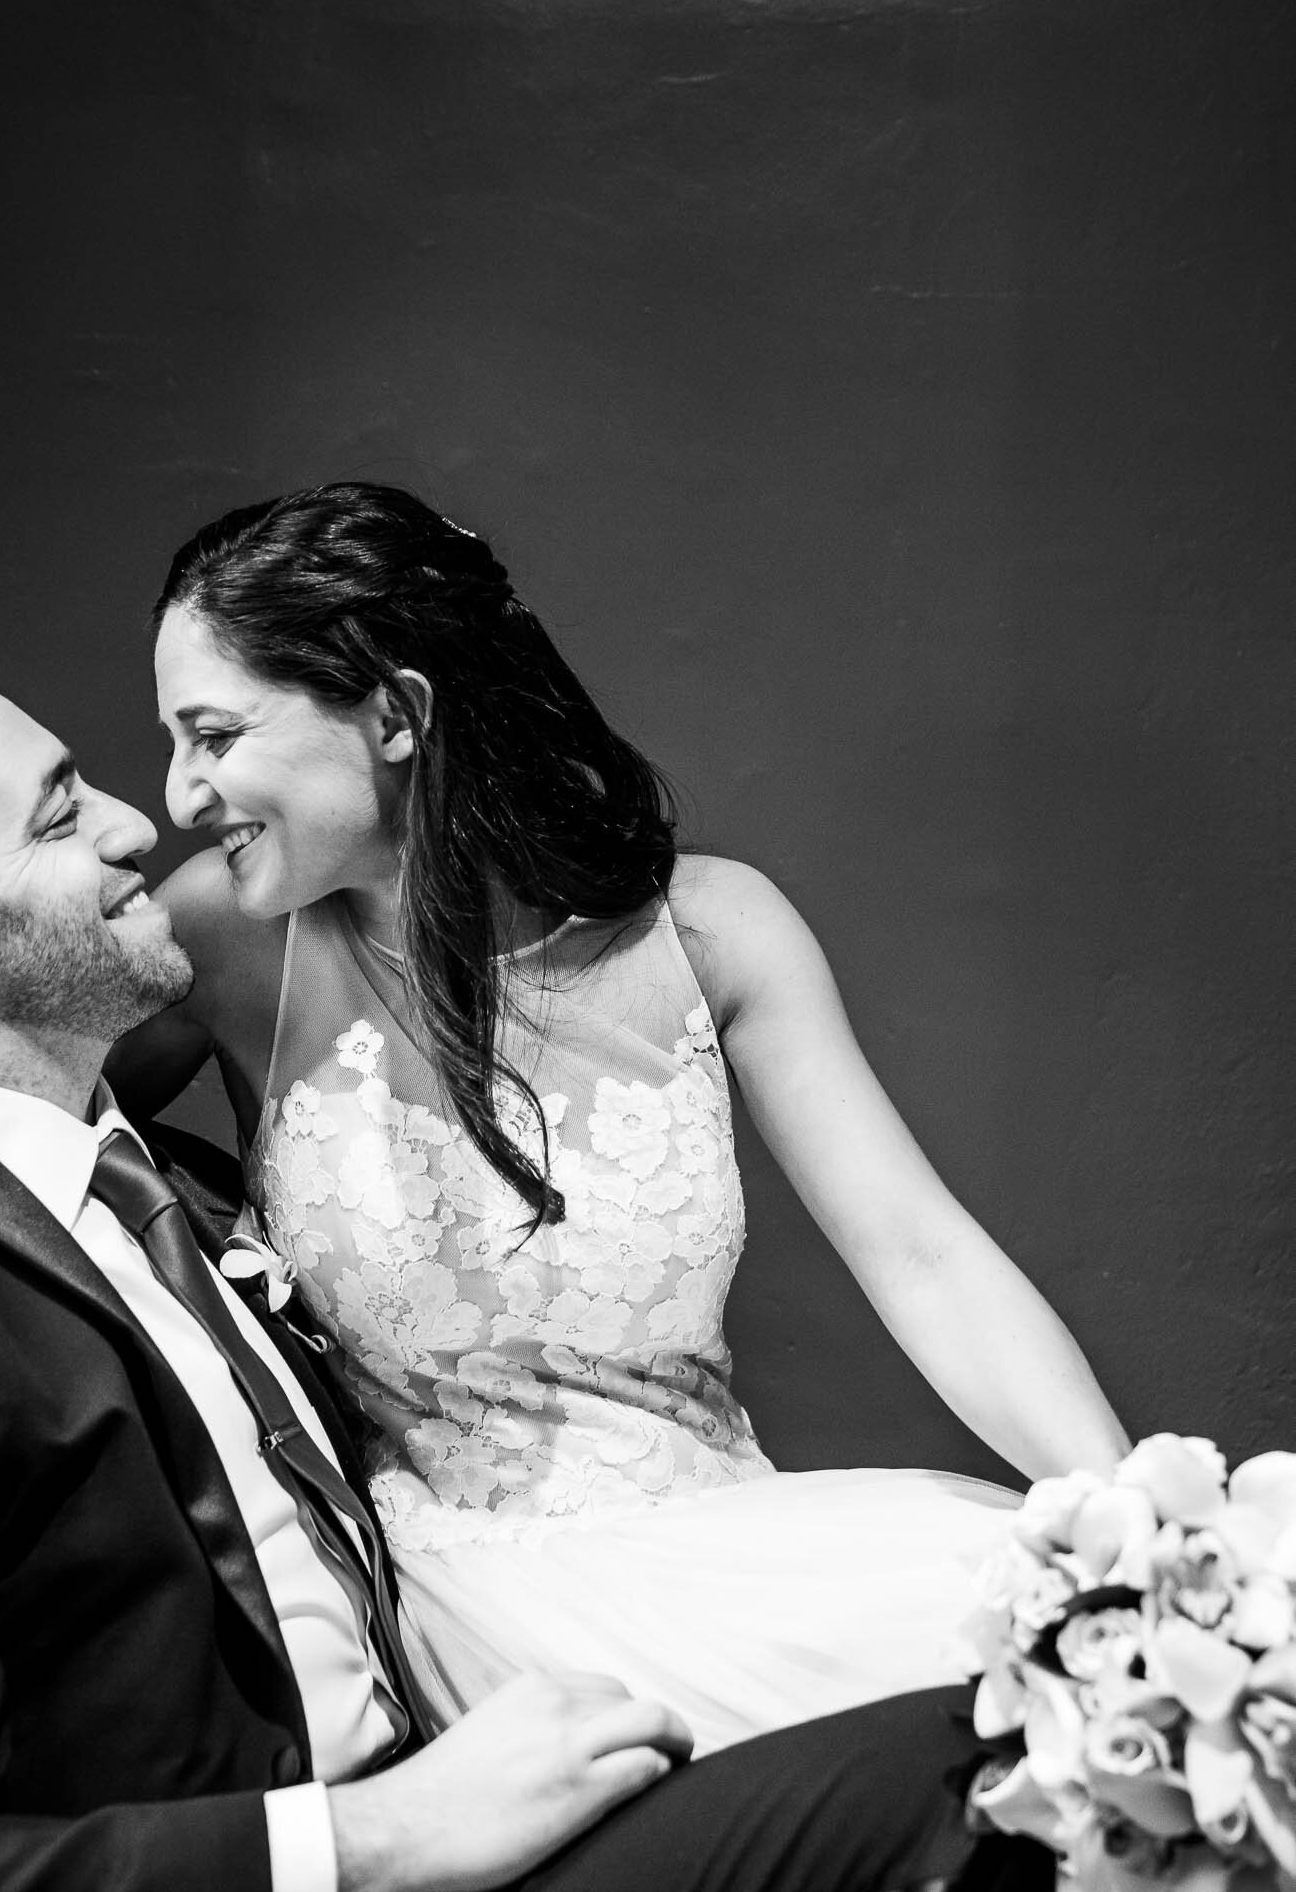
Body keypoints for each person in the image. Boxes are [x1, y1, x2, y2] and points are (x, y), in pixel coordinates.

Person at [0, 636, 1143, 1892]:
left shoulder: (166, 1190)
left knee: (1117, 1720)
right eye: (59, 807)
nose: (142, 819)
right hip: (359, 1890)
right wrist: (385, 1841)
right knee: (1027, 1776)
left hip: (517, 1735)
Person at [123, 480, 1131, 1754]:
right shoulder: (225, 938)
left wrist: (1134, 1517)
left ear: (394, 712)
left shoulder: (716, 932)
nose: (177, 794)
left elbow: (918, 1253)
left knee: (1097, 1644)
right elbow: (10, 1122)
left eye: (211, 735)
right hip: (464, 1606)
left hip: (729, 1556)